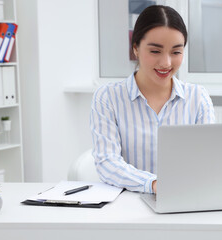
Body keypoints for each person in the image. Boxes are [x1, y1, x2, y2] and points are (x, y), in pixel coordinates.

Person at [90, 5, 215, 194]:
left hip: (184, 199)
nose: (166, 63)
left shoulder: (198, 98)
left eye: (176, 52)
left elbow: (208, 159)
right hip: (128, 203)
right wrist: (153, 184)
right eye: (155, 51)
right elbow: (107, 162)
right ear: (135, 48)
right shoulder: (107, 97)